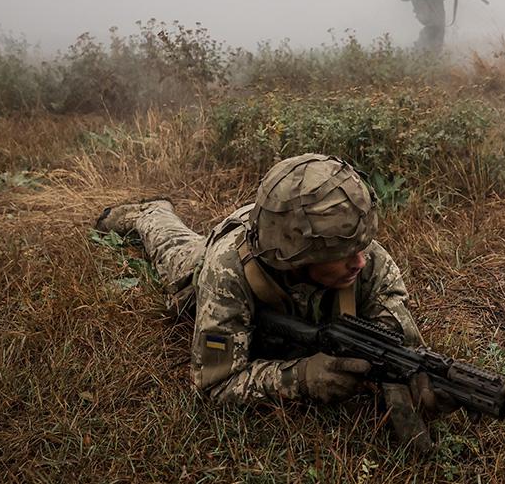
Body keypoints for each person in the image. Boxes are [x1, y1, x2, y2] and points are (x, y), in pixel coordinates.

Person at [94, 153, 450, 452]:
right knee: (173, 248)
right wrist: (302, 377)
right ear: (298, 258)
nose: (359, 262)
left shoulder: (365, 257)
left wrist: (415, 376)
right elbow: (214, 384)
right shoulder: (227, 272)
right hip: (214, 256)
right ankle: (151, 213)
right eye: (343, 255)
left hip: (279, 228)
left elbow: (397, 332)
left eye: (362, 247)